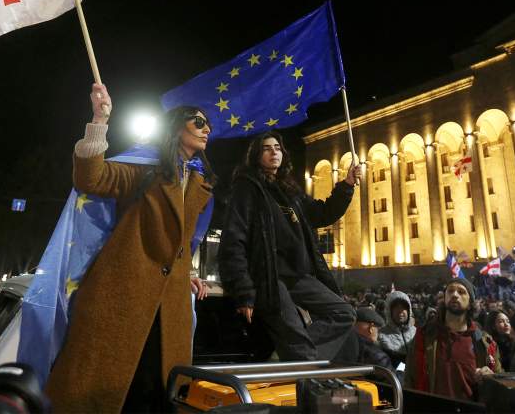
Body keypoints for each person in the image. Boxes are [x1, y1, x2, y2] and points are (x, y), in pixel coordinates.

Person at [45, 83, 216, 414]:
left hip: (170, 310)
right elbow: (91, 179)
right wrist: (99, 121)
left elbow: (183, 243)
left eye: (207, 123)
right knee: (113, 394)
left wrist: (188, 273)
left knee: (158, 394)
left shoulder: (200, 184)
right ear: (176, 127)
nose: (207, 128)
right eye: (198, 121)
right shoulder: (144, 168)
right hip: (120, 299)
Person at [219, 131, 359, 361]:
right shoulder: (247, 188)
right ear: (255, 155)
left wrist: (347, 185)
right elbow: (234, 241)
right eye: (266, 148)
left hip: (300, 277)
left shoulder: (290, 191)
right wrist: (243, 292)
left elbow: (323, 213)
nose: (274, 152)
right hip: (271, 279)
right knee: (296, 339)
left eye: (277, 147)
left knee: (344, 313)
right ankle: (297, 354)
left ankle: (287, 352)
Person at [404, 277, 501, 401]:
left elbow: (499, 381)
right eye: (450, 291)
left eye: (461, 292)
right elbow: (410, 377)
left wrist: (491, 378)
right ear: (444, 298)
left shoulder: (485, 342)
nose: (455, 295)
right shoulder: (425, 335)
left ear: (471, 301)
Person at [378, 290, 416, 368]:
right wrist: (405, 370)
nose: (400, 311)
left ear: (409, 310)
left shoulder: (416, 332)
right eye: (396, 307)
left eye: (403, 307)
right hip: (396, 378)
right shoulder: (381, 336)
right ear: (389, 311)